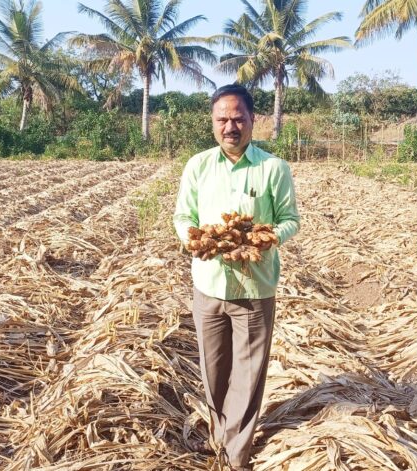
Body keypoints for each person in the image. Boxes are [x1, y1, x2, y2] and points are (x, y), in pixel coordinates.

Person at [173, 84, 300, 470]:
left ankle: (235, 455)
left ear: (252, 121)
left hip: (254, 286)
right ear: (213, 123)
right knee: (214, 372)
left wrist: (268, 237)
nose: (231, 126)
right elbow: (183, 217)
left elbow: (290, 220)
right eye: (222, 119)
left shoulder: (273, 168)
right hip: (208, 284)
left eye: (238, 118)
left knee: (247, 377)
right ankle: (219, 436)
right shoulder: (198, 166)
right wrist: (194, 240)